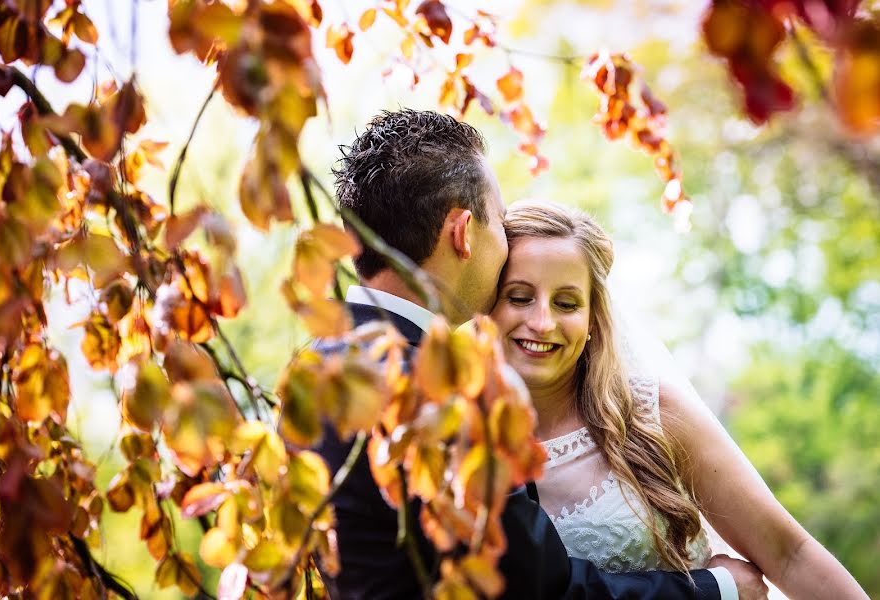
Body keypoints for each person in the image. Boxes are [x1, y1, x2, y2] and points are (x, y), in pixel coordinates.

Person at [314, 108, 767, 599]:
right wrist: (717, 589)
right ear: (464, 232)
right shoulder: (441, 394)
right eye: (499, 222)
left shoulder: (314, 371)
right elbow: (541, 590)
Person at [490, 200, 868, 599]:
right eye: (519, 297)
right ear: (486, 304)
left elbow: (790, 555)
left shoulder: (652, 413)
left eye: (567, 303)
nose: (543, 322)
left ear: (592, 321)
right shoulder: (461, 442)